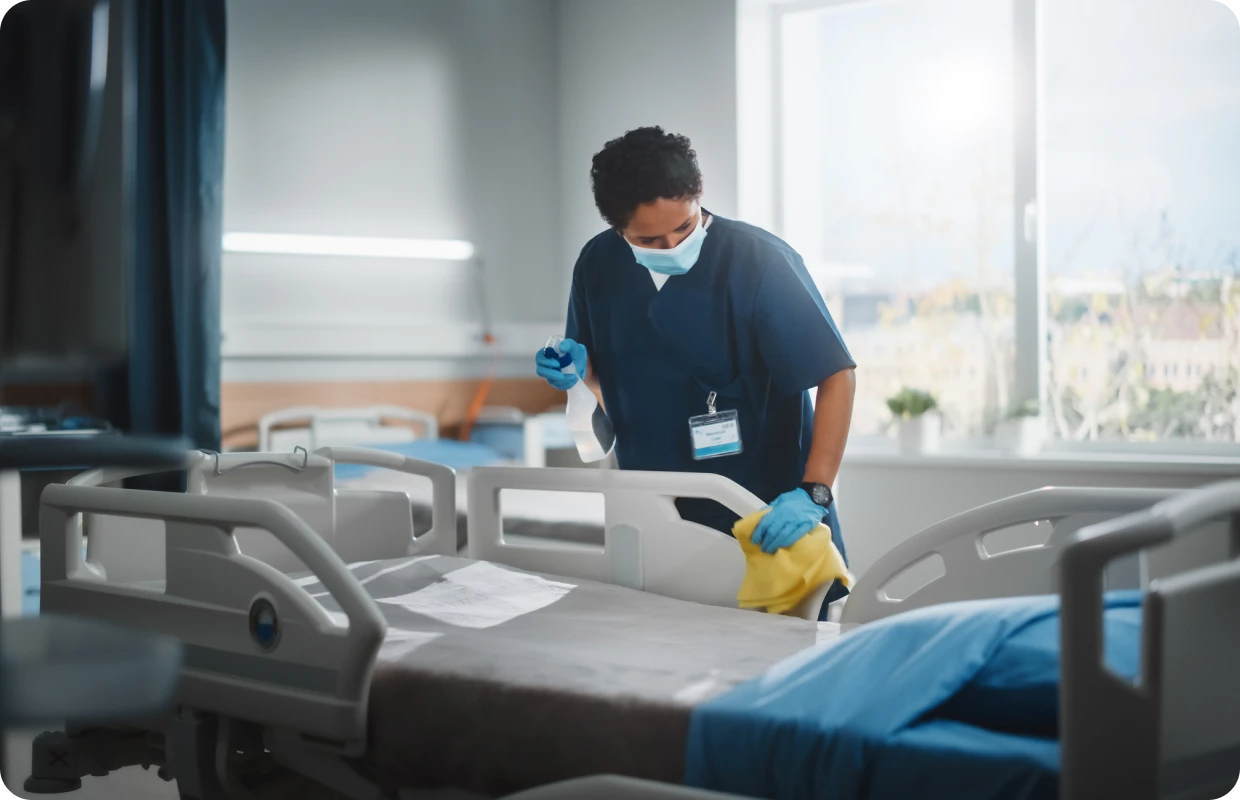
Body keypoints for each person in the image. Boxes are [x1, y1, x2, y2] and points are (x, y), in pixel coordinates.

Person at [536, 126, 856, 615]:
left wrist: (814, 492)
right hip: (656, 507)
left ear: (698, 195)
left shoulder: (759, 261)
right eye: (648, 238)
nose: (671, 246)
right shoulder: (598, 264)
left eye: (684, 228)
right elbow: (607, 381)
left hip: (766, 508)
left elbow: (836, 374)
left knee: (782, 654)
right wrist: (575, 375)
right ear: (615, 227)